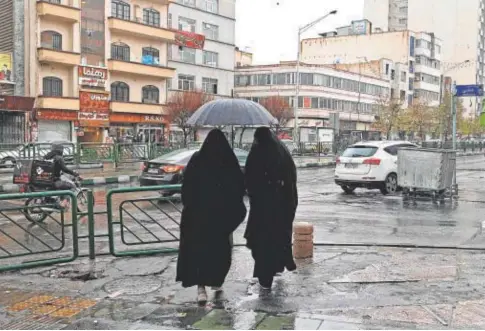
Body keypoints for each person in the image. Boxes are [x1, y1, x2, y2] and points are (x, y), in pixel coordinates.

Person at [176, 129, 247, 305]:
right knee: (220, 252)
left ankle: (201, 289)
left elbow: (187, 188)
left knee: (199, 252)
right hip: (221, 220)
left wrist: (192, 209)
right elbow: (239, 188)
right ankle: (216, 281)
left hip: (198, 218)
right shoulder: (229, 161)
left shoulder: (197, 159)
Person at [244, 127, 298, 290]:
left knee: (263, 243)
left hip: (263, 209)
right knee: (278, 239)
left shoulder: (258, 151)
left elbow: (250, 178)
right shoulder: (281, 150)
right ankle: (278, 266)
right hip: (281, 206)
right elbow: (291, 179)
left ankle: (265, 277)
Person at [44, 144, 79, 209]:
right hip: (55, 181)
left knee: (63, 186)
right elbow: (64, 169)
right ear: (60, 151)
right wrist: (74, 173)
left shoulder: (47, 157)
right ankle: (63, 203)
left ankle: (58, 202)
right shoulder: (59, 158)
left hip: (47, 181)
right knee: (72, 186)